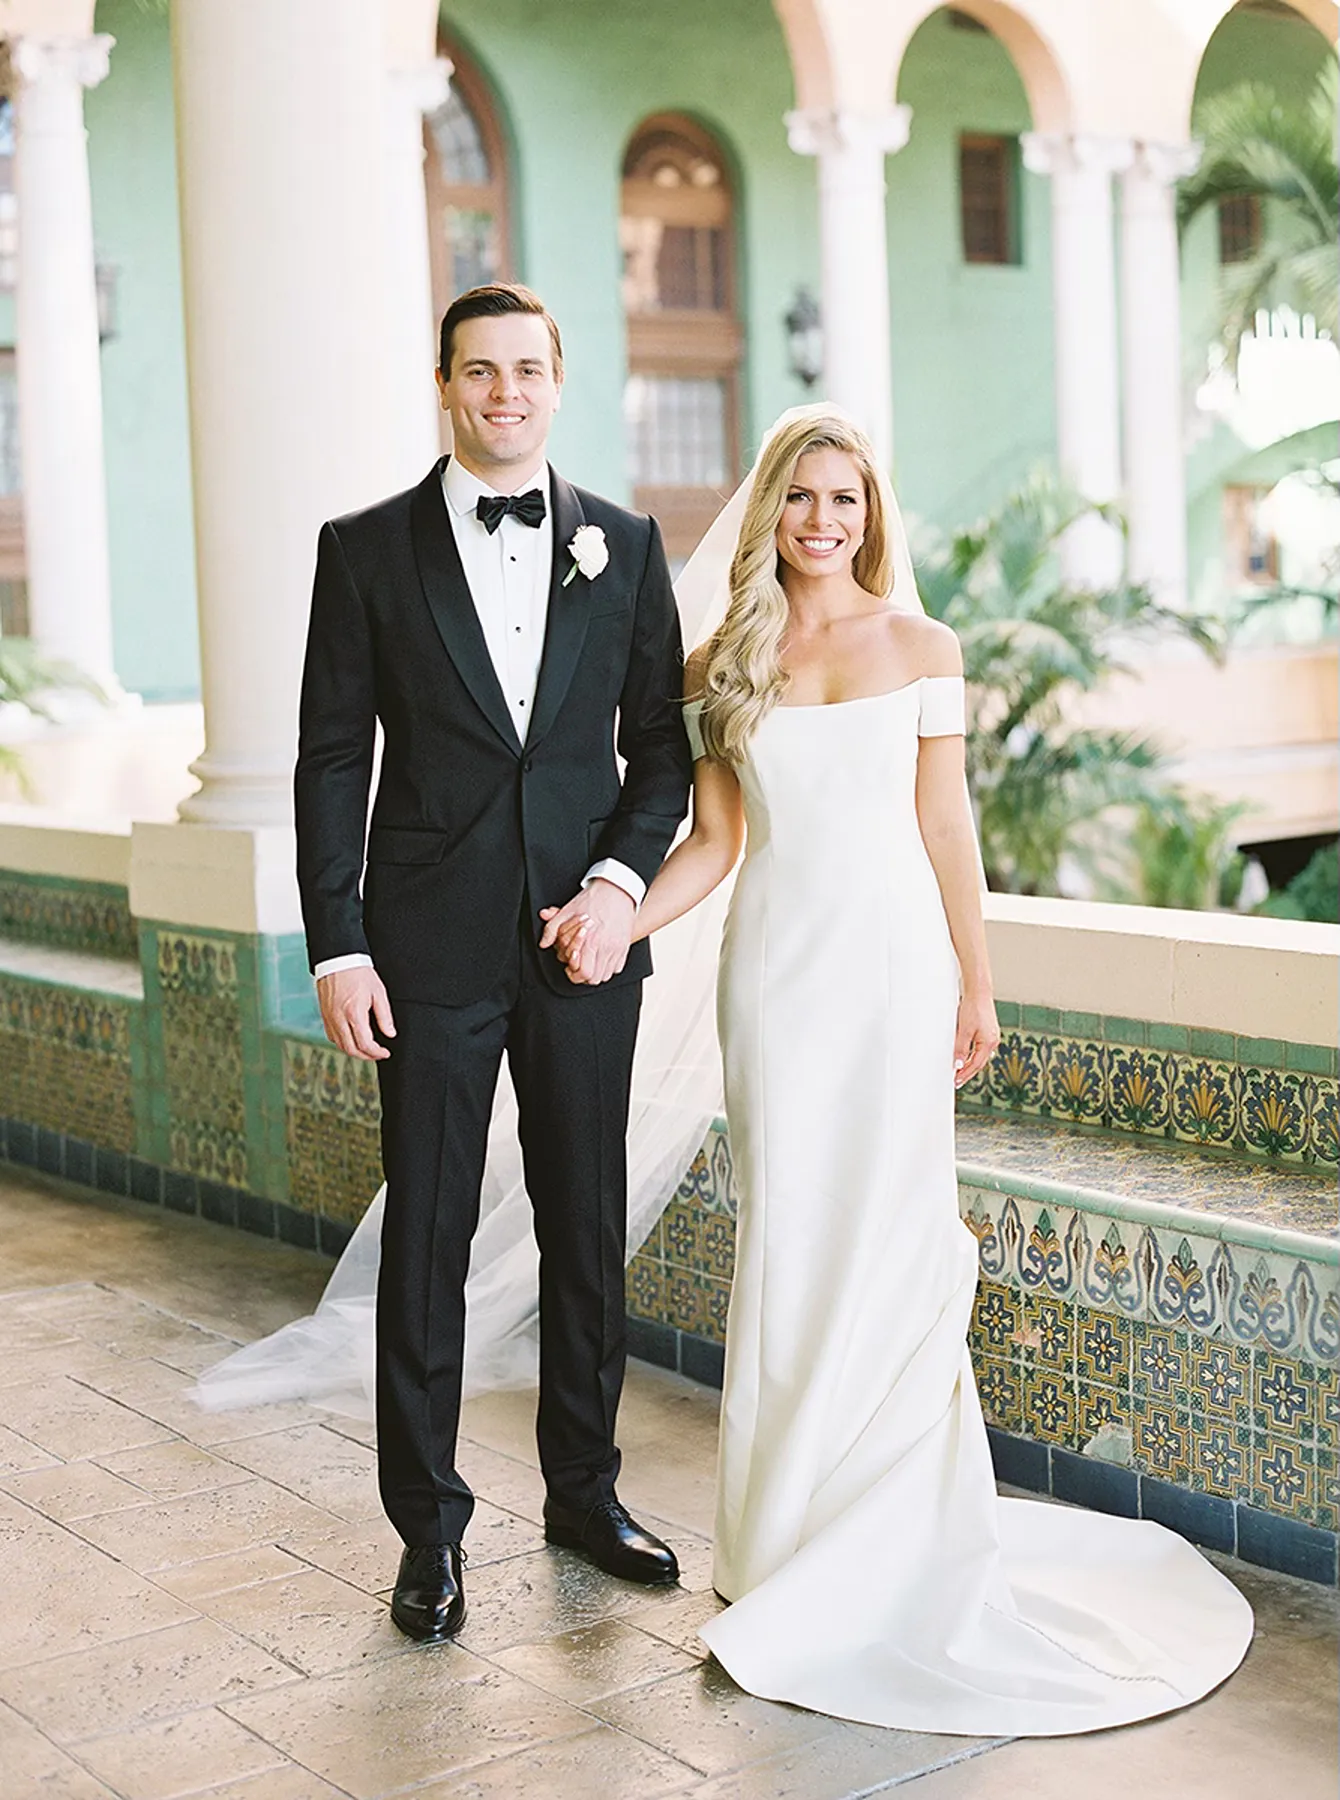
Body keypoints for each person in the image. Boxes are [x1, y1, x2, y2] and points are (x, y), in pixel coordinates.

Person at [545, 405, 1254, 1735]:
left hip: (889, 976)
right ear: (771, 512)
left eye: (846, 501)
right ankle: (783, 1546)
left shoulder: (925, 648)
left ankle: (899, 1538)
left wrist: (978, 980)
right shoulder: (722, 664)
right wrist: (619, 916)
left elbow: (947, 825)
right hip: (777, 978)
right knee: (794, 1240)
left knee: (897, 1237)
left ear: (874, 515)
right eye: (803, 499)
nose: (824, 522)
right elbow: (715, 843)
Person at [291, 281, 693, 1642]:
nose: (503, 392)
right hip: (425, 948)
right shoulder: (364, 551)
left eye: (526, 369)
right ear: (448, 386)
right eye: (479, 372)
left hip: (585, 948)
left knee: (585, 1226)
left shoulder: (627, 548)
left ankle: (585, 1494)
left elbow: (666, 759)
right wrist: (338, 942)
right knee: (431, 1237)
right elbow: (333, 758)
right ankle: (430, 1533)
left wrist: (617, 891)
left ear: (559, 381)